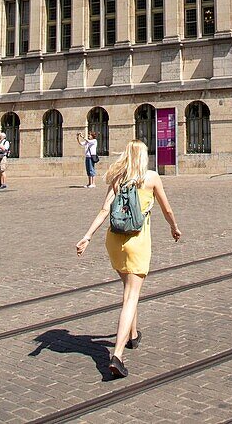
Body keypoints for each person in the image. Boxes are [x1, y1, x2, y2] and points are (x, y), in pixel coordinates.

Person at [76, 140, 181, 379]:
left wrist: (87, 237)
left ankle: (132, 336)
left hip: (114, 241)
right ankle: (117, 355)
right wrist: (174, 228)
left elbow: (104, 210)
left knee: (128, 287)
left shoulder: (118, 177)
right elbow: (167, 210)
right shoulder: (151, 178)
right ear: (143, 157)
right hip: (136, 242)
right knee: (130, 297)